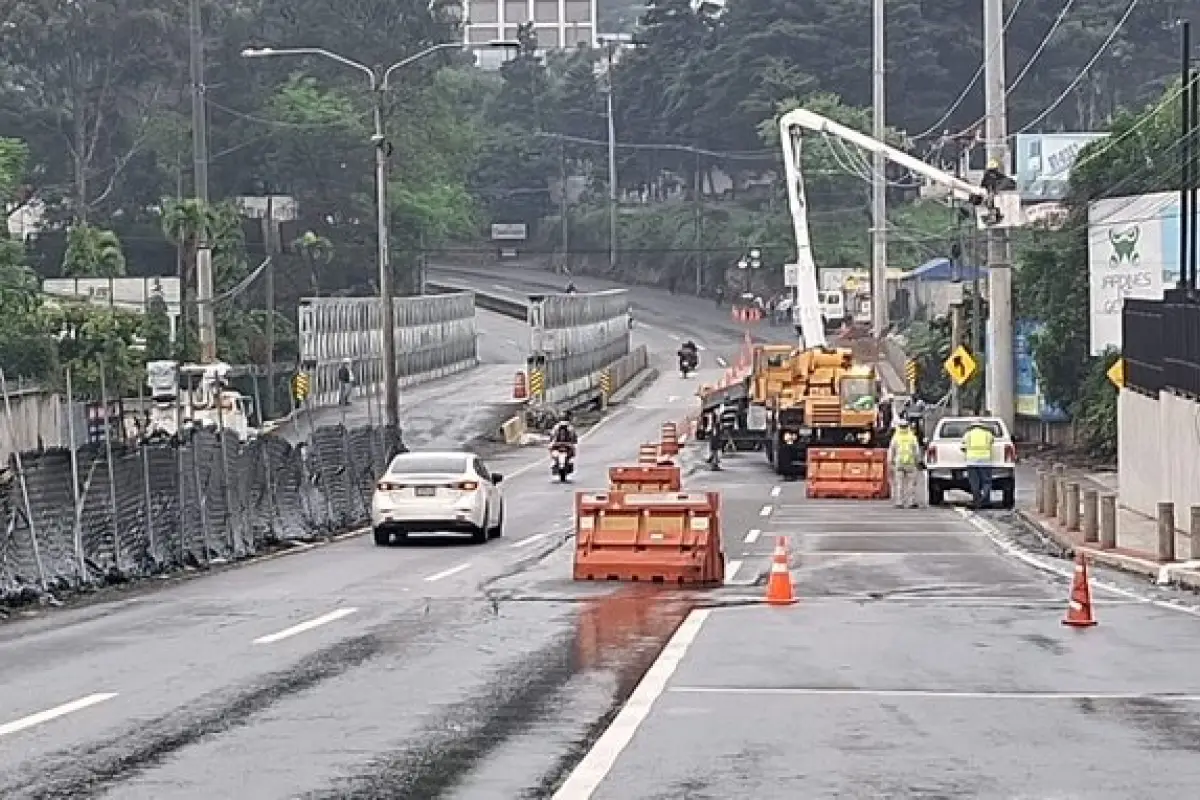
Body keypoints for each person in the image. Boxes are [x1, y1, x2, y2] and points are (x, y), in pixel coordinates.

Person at [887, 418, 922, 508]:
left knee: (899, 484)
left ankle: (899, 502)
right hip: (910, 463)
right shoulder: (912, 437)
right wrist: (918, 461)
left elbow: (891, 450)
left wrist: (890, 461)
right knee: (911, 484)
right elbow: (916, 451)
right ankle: (911, 502)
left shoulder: (896, 437)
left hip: (899, 463)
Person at [961, 421, 996, 509]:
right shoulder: (988, 434)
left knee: (974, 482)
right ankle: (985, 500)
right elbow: (992, 442)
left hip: (971, 462)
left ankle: (976, 501)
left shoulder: (968, 434)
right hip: (985, 461)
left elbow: (963, 447)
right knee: (986, 481)